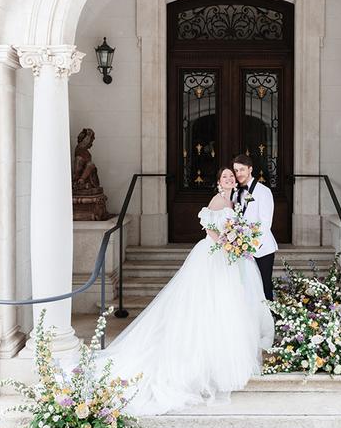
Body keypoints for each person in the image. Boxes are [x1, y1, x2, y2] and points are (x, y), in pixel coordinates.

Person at [99, 167, 274, 415]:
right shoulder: (216, 200)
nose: (229, 179)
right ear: (218, 181)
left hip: (229, 256)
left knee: (229, 305)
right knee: (209, 302)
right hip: (214, 255)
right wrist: (226, 242)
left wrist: (237, 241)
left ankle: (223, 357)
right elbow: (209, 227)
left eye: (231, 177)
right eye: (225, 176)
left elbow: (235, 226)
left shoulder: (233, 200)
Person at [232, 154, 278, 301]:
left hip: (262, 248)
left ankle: (270, 320)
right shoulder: (236, 192)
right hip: (242, 249)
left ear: (250, 169)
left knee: (265, 286)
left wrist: (252, 246)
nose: (238, 174)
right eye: (236, 170)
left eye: (242, 170)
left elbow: (266, 223)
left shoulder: (264, 191)